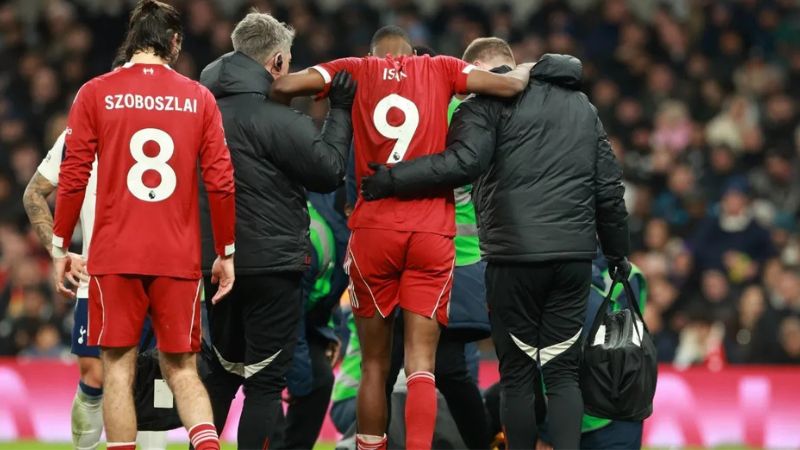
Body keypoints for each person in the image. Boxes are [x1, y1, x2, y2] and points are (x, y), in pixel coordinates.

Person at [272, 26, 532, 450]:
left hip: (374, 230)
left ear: (373, 53)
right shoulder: (441, 68)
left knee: (374, 364)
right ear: (411, 53)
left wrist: (318, 103)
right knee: (423, 365)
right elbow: (508, 84)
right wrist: (529, 69)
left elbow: (283, 85)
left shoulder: (355, 69)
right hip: (430, 231)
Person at [361, 39, 630, 449]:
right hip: (573, 259)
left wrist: (392, 179)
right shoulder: (582, 107)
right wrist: (616, 254)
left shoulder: (482, 104)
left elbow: (461, 164)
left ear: (483, 68)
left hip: (512, 258)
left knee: (518, 374)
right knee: (561, 373)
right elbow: (609, 190)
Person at [51, 2, 236, 450]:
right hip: (178, 256)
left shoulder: (95, 93)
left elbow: (73, 176)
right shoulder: (199, 98)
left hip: (115, 254)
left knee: (117, 368)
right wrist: (226, 253)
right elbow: (222, 181)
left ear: (132, 39)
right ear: (173, 42)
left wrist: (60, 246)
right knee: (183, 370)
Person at [197, 12, 354, 449]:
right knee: (265, 386)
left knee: (222, 377)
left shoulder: (200, 110)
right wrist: (340, 111)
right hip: (274, 266)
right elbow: (329, 171)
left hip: (213, 266)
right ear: (278, 62)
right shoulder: (277, 120)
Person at [23, 54, 168, 450]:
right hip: (99, 272)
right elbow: (35, 191)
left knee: (156, 379)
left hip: (160, 271)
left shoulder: (169, 130)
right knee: (95, 375)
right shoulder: (81, 131)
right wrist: (61, 251)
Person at [276, 189, 351, 449]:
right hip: (270, 317)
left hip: (306, 320)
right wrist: (299, 377)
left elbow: (329, 289)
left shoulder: (340, 232)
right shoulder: (315, 235)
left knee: (319, 380)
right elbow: (290, 306)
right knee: (268, 386)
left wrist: (336, 333)